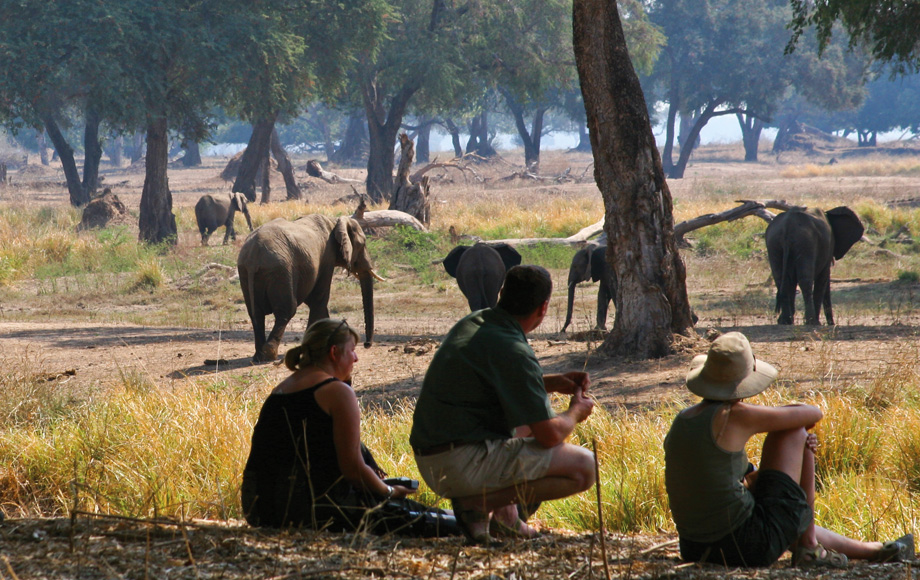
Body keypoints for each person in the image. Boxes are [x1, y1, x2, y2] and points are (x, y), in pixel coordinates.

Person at [664, 331, 913, 568]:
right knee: (793, 431)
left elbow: (737, 482)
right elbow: (812, 413)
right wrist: (800, 440)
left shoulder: (684, 419)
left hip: (695, 547)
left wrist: (795, 456)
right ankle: (809, 549)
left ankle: (875, 550)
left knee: (794, 443)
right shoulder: (734, 415)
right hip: (745, 546)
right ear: (744, 380)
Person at [410, 265, 596, 544]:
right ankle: (480, 503)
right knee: (585, 467)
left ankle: (505, 518)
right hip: (460, 463)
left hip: (434, 458)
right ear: (543, 308)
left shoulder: (474, 322)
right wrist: (575, 412)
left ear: (501, 293)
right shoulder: (514, 349)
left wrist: (550, 382)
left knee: (523, 424)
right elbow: (549, 436)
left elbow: (489, 383)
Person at [241, 318, 458, 537]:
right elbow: (353, 468)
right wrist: (390, 491)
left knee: (438, 517)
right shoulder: (336, 391)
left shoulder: (281, 389)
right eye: (352, 350)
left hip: (263, 511)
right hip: (317, 512)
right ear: (334, 353)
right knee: (449, 523)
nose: (356, 357)